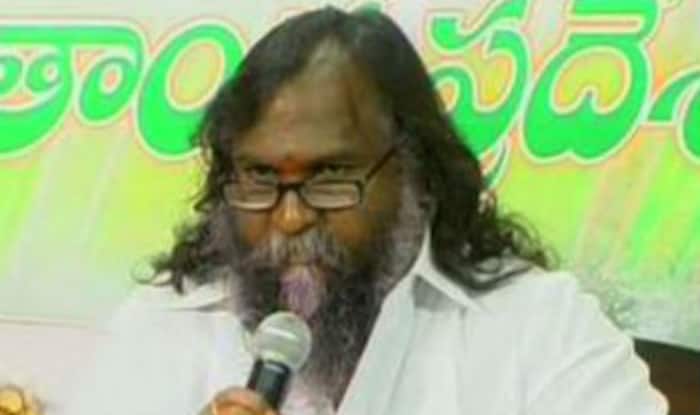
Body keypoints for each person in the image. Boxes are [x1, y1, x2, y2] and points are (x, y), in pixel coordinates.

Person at [69, 7, 668, 415]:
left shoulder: (538, 326)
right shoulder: (165, 324)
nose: (291, 219)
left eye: (330, 177)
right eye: (260, 178)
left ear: (415, 171)